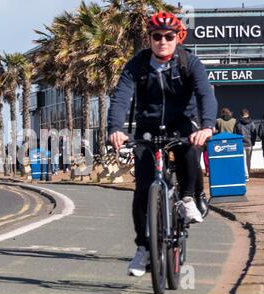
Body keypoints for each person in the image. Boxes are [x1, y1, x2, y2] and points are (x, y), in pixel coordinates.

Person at [107, 12, 218, 277]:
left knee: (191, 150)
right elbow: (121, 98)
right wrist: (115, 129)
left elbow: (205, 94)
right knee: (143, 191)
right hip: (147, 129)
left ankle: (189, 198)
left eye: (169, 36)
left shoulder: (189, 62)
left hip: (182, 126)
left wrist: (206, 126)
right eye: (157, 37)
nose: (163, 41)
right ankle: (144, 249)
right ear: (150, 39)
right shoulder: (138, 65)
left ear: (178, 37)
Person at [234, 109, 257, 181]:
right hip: (249, 144)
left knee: (243, 160)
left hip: (241, 144)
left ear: (241, 115)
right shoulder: (252, 123)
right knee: (248, 159)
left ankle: (246, 175)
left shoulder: (238, 124)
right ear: (248, 114)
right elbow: (254, 133)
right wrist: (253, 142)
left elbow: (235, 134)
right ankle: (248, 174)